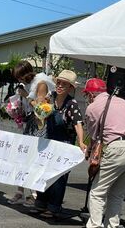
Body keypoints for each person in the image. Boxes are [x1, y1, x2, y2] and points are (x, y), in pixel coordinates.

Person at [82, 78, 125, 228]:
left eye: (86, 95)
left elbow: (94, 136)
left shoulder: (92, 107)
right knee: (117, 193)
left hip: (118, 148)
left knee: (98, 191)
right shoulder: (123, 102)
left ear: (90, 94)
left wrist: (89, 151)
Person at [34, 69, 87, 216]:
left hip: (65, 143)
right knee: (43, 171)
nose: (60, 86)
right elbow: (41, 109)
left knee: (58, 177)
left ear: (70, 87)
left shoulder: (72, 103)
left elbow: (78, 123)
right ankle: (40, 203)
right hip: (49, 141)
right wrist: (40, 112)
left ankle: (53, 207)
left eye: (64, 84)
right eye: (59, 83)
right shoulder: (51, 96)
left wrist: (81, 141)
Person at [7, 60, 55, 205]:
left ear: (26, 74)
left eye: (20, 77)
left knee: (35, 158)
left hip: (40, 125)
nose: (19, 80)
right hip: (30, 123)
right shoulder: (30, 84)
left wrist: (27, 95)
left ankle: (35, 194)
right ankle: (21, 192)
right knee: (23, 157)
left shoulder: (41, 83)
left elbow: (41, 109)